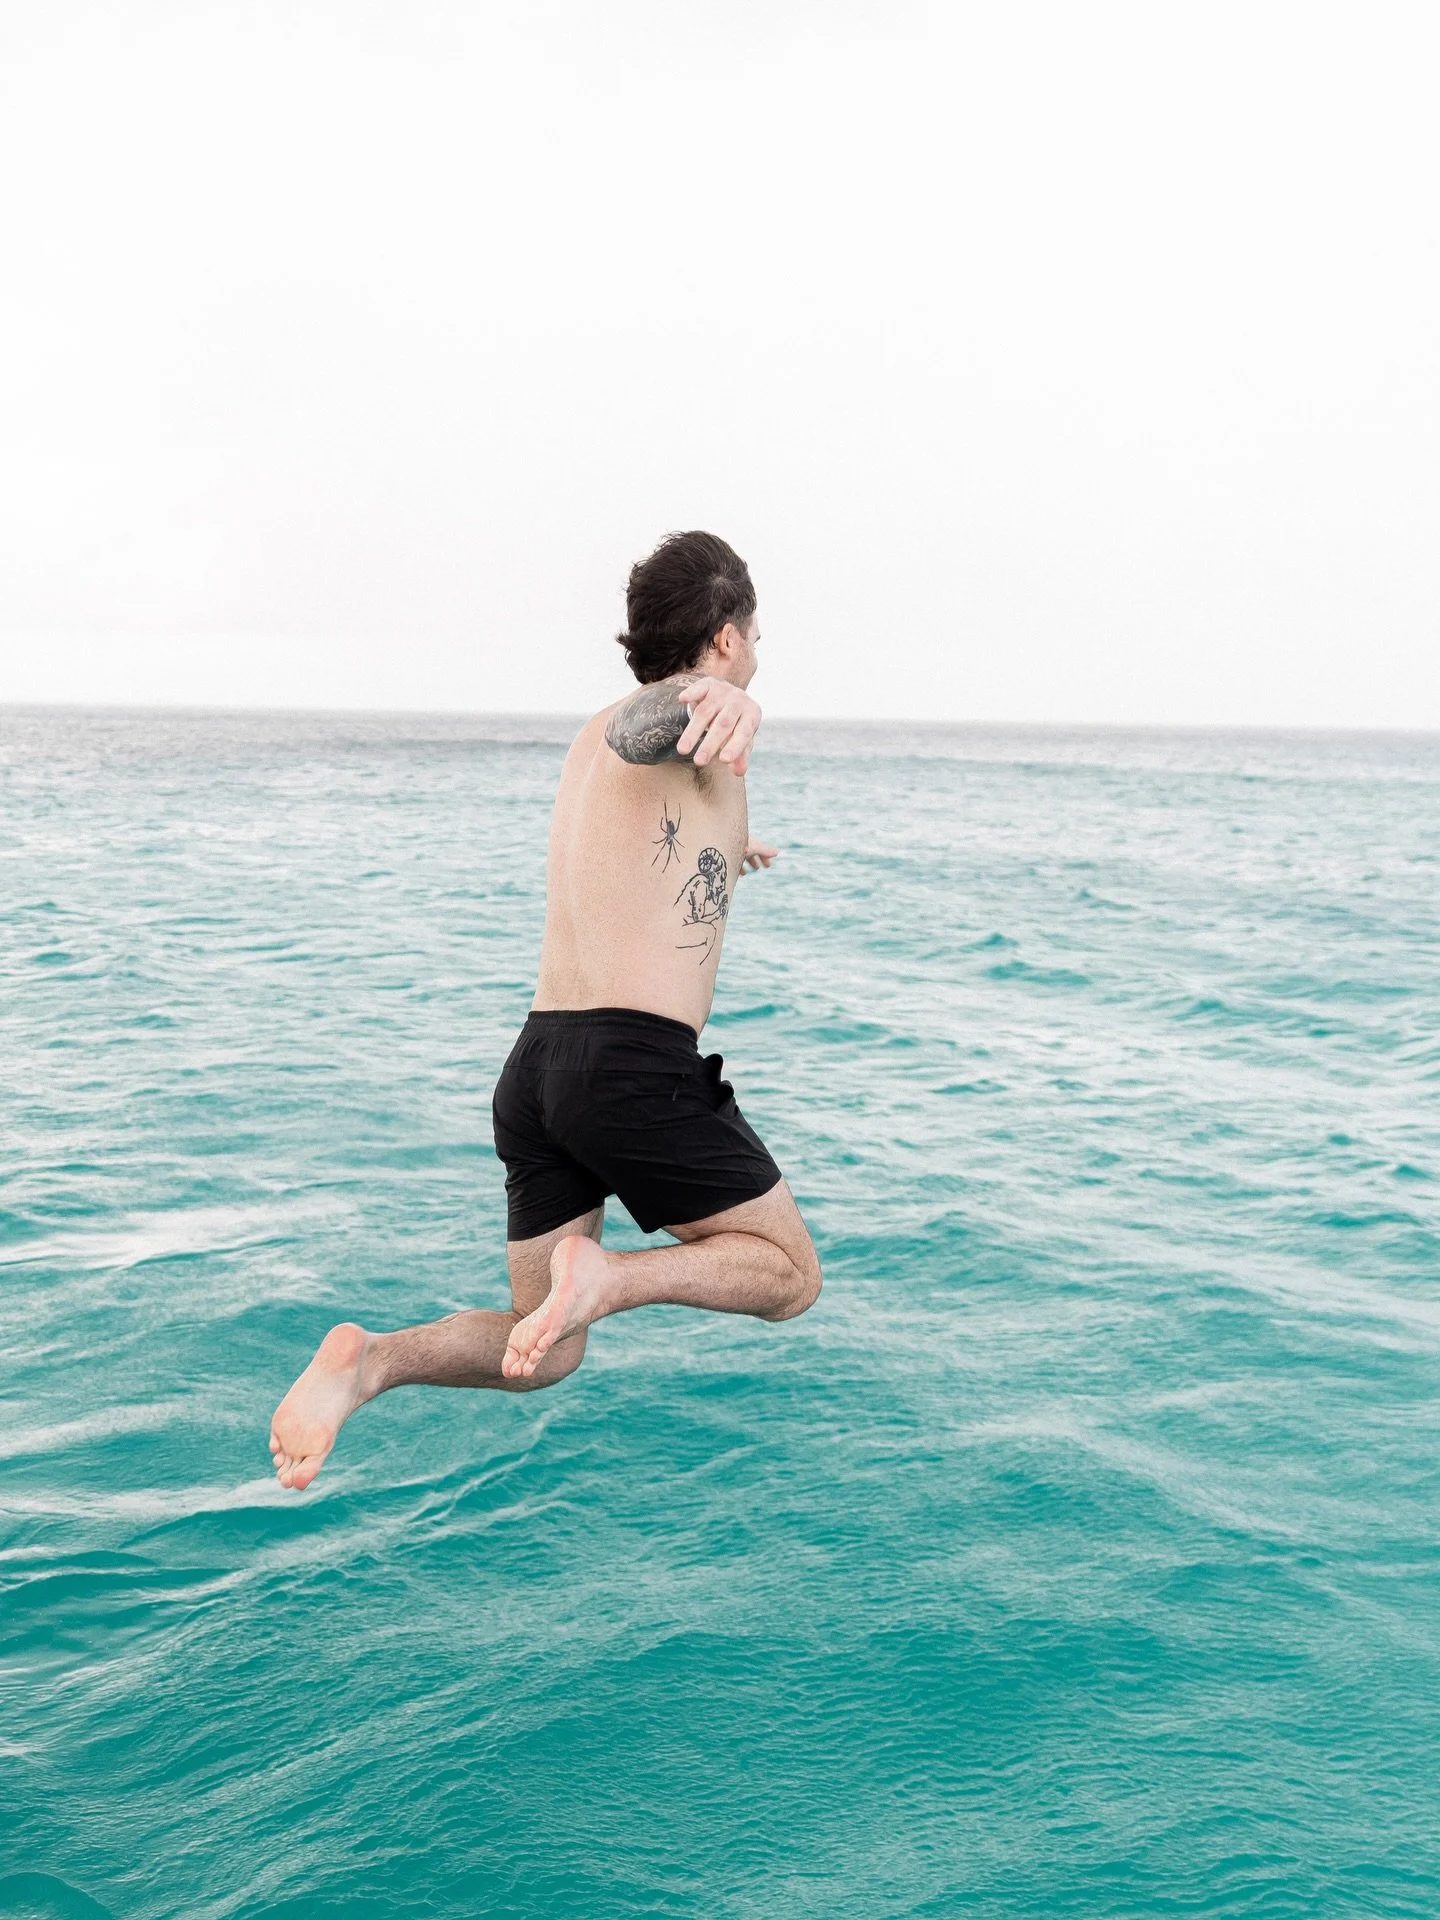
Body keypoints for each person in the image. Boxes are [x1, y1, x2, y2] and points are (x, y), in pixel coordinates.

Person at [269, 531, 822, 1489]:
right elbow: (643, 728)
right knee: (787, 1277)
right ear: (726, 638)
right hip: (627, 1063)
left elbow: (642, 842)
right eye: (754, 641)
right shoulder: (667, 719)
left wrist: (733, 849)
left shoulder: (604, 752)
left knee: (545, 1348)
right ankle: (609, 1282)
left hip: (540, 1069)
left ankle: (372, 1365)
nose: (759, 655)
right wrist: (720, 698)